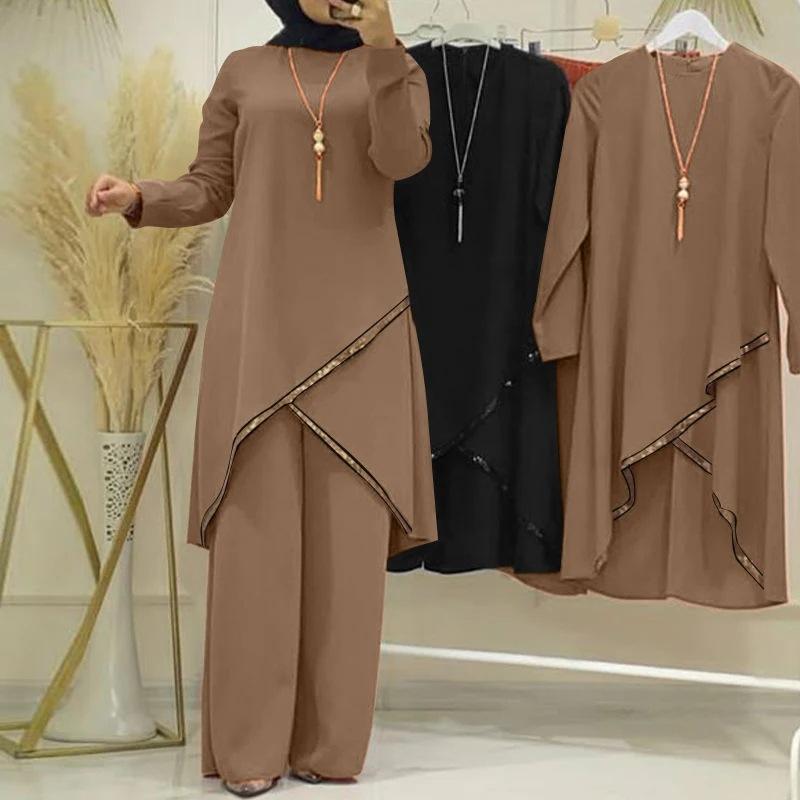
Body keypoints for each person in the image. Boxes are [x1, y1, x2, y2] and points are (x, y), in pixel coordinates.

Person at [85, 1, 438, 796]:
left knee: (347, 557)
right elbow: (211, 186)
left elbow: (402, 157)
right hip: (262, 332)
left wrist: (384, 47)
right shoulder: (245, 70)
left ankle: (330, 748)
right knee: (257, 549)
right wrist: (138, 197)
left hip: (364, 332)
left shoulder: (396, 66)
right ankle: (248, 751)